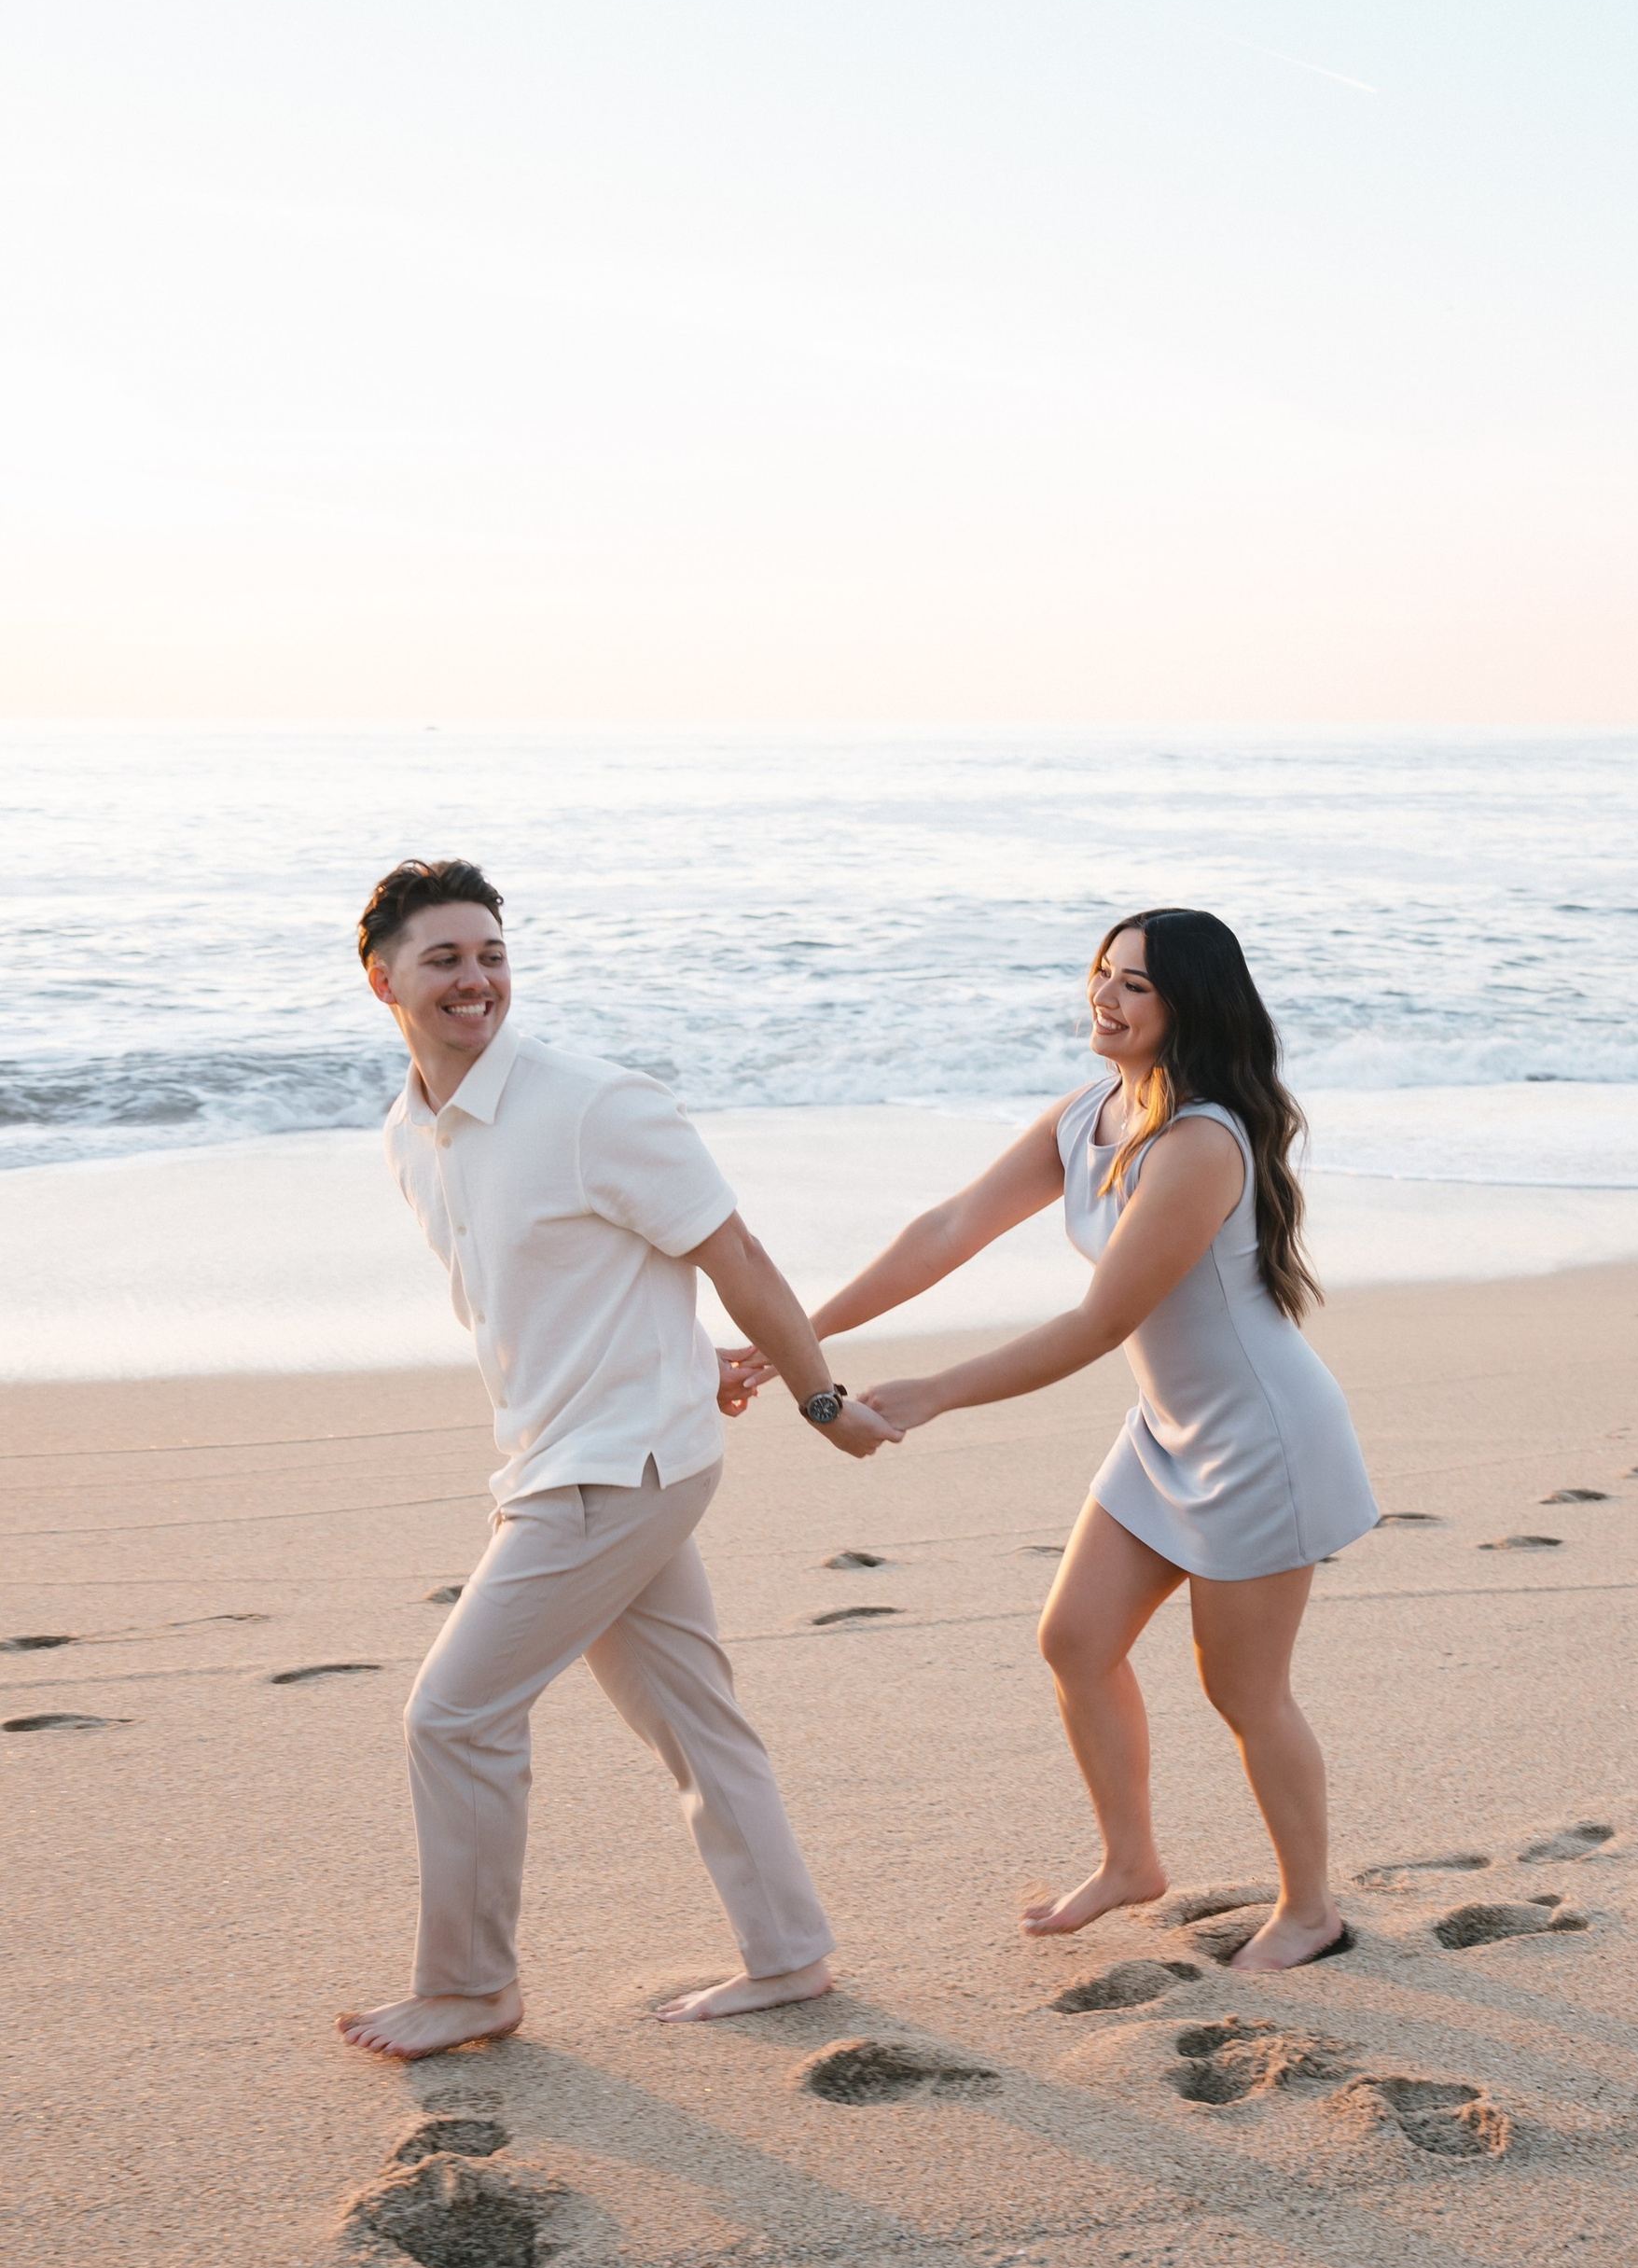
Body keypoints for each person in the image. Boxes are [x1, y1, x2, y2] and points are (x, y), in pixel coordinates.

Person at [723, 907, 1376, 1970]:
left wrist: (936, 1389)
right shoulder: (1090, 1112)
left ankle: (1310, 1909)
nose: (1104, 998)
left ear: (1189, 1007)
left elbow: (1099, 1322)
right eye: (1101, 974)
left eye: (1135, 986)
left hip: (1263, 1441)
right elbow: (947, 1228)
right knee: (1074, 1638)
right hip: (1169, 1430)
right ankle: (1131, 1861)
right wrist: (799, 1333)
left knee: (1243, 1690)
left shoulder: (1202, 1139)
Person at [336, 857, 898, 2063]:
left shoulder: (594, 1103)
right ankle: (790, 1954)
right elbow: (563, 1292)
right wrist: (676, 1357)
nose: (475, 979)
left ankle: (470, 1985)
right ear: (383, 979)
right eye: (445, 959)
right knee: (693, 1717)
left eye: (490, 953)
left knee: (454, 1714)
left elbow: (735, 1252)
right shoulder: (411, 1133)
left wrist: (821, 1399)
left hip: (618, 1466)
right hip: (574, 1447)